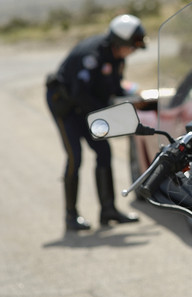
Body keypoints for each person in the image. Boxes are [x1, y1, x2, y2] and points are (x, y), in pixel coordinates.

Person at [46, 14, 146, 230]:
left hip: (88, 108)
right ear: (121, 42)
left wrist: (132, 100)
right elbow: (79, 93)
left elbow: (114, 87)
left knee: (103, 152)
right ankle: (71, 216)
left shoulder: (117, 57)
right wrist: (110, 111)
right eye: (133, 46)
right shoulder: (91, 56)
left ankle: (108, 210)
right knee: (75, 156)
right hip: (66, 107)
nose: (134, 51)